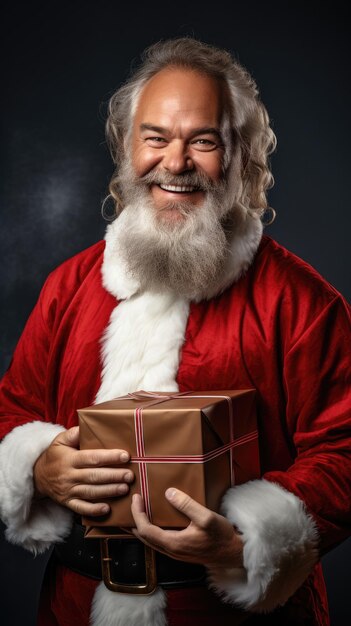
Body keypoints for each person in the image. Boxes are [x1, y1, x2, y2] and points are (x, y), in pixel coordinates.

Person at [0, 37, 350, 626]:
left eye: (204, 141)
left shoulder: (302, 302)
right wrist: (36, 464)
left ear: (241, 158)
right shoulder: (69, 285)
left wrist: (244, 543)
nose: (176, 161)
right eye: (155, 137)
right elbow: (12, 408)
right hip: (72, 607)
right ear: (127, 148)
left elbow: (343, 447)